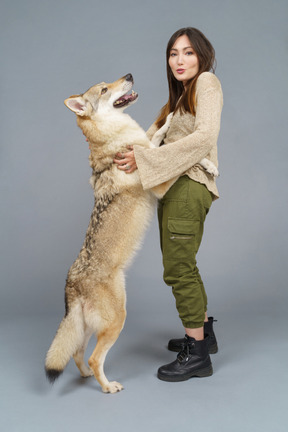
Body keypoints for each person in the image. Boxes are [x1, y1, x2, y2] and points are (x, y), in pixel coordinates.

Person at [114, 27, 223, 382]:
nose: (179, 60)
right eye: (173, 53)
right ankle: (203, 334)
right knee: (183, 263)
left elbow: (205, 137)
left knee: (178, 268)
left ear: (202, 56)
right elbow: (150, 139)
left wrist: (142, 160)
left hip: (189, 184)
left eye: (188, 52)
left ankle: (197, 357)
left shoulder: (206, 82)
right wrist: (131, 152)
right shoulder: (179, 99)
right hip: (176, 187)